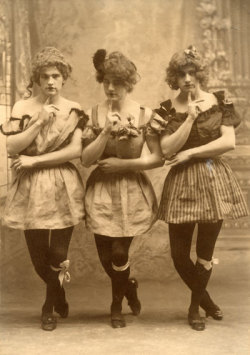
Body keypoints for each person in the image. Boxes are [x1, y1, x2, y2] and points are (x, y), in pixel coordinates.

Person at [156, 45, 249, 331]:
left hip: (211, 178)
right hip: (182, 183)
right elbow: (166, 149)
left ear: (200, 74)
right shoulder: (168, 109)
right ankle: (207, 300)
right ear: (175, 78)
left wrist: (192, 153)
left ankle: (195, 307)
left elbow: (227, 143)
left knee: (205, 252)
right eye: (181, 74)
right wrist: (191, 118)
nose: (187, 79)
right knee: (179, 255)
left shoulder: (219, 101)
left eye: (192, 72)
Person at [0, 47, 88, 331]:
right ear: (37, 79)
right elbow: (12, 147)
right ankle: (58, 291)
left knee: (58, 254)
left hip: (63, 184)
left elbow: (75, 151)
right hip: (30, 188)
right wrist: (39, 121)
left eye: (56, 76)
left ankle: (48, 306)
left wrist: (35, 160)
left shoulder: (74, 109)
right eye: (45, 76)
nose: (51, 81)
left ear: (64, 79)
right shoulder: (22, 108)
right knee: (39, 258)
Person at [81, 49, 164, 328]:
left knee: (119, 253)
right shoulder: (93, 114)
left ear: (129, 83)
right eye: (105, 81)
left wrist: (124, 165)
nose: (110, 87)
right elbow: (85, 159)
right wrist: (104, 132)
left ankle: (116, 304)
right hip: (101, 192)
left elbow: (157, 157)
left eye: (117, 82)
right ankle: (129, 287)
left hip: (132, 190)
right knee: (106, 257)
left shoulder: (144, 114)